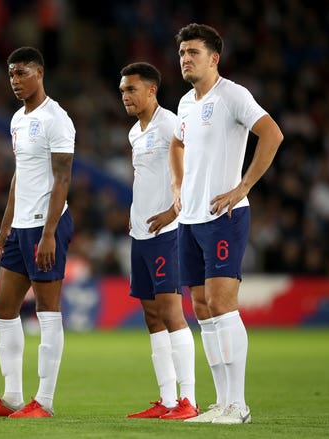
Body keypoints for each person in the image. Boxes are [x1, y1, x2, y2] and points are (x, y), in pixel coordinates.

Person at [169, 24, 284, 424]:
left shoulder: (232, 95)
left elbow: (272, 134)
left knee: (221, 305)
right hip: (189, 219)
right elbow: (178, 144)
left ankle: (239, 404)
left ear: (214, 58)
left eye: (193, 53)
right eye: (182, 52)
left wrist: (243, 186)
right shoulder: (184, 103)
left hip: (224, 216)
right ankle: (221, 403)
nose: (185, 59)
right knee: (202, 309)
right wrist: (177, 183)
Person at [0, 47, 75, 418]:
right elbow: (21, 175)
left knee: (48, 311)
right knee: (3, 309)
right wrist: (5, 227)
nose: (15, 81)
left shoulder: (57, 119)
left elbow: (62, 177)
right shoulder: (17, 119)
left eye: (22, 73)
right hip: (20, 227)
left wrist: (49, 233)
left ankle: (44, 402)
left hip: (47, 225)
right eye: (11, 74)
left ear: (40, 72)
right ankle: (14, 397)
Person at [119, 62, 198, 420]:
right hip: (141, 234)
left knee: (171, 312)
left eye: (131, 89)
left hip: (167, 233)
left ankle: (189, 401)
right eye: (122, 91)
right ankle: (166, 401)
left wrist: (173, 211)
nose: (125, 96)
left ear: (151, 90)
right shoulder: (136, 132)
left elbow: (194, 170)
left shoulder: (170, 124)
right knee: (152, 317)